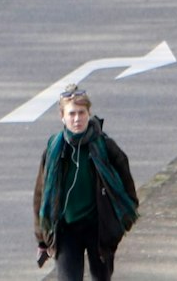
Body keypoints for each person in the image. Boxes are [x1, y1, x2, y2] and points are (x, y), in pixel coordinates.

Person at [34, 84, 138, 279]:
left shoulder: (104, 146)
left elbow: (126, 181)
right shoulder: (54, 149)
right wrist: (42, 236)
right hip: (66, 229)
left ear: (89, 113)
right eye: (72, 113)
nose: (77, 119)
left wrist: (121, 222)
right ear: (62, 117)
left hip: (98, 227)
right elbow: (41, 193)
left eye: (81, 113)